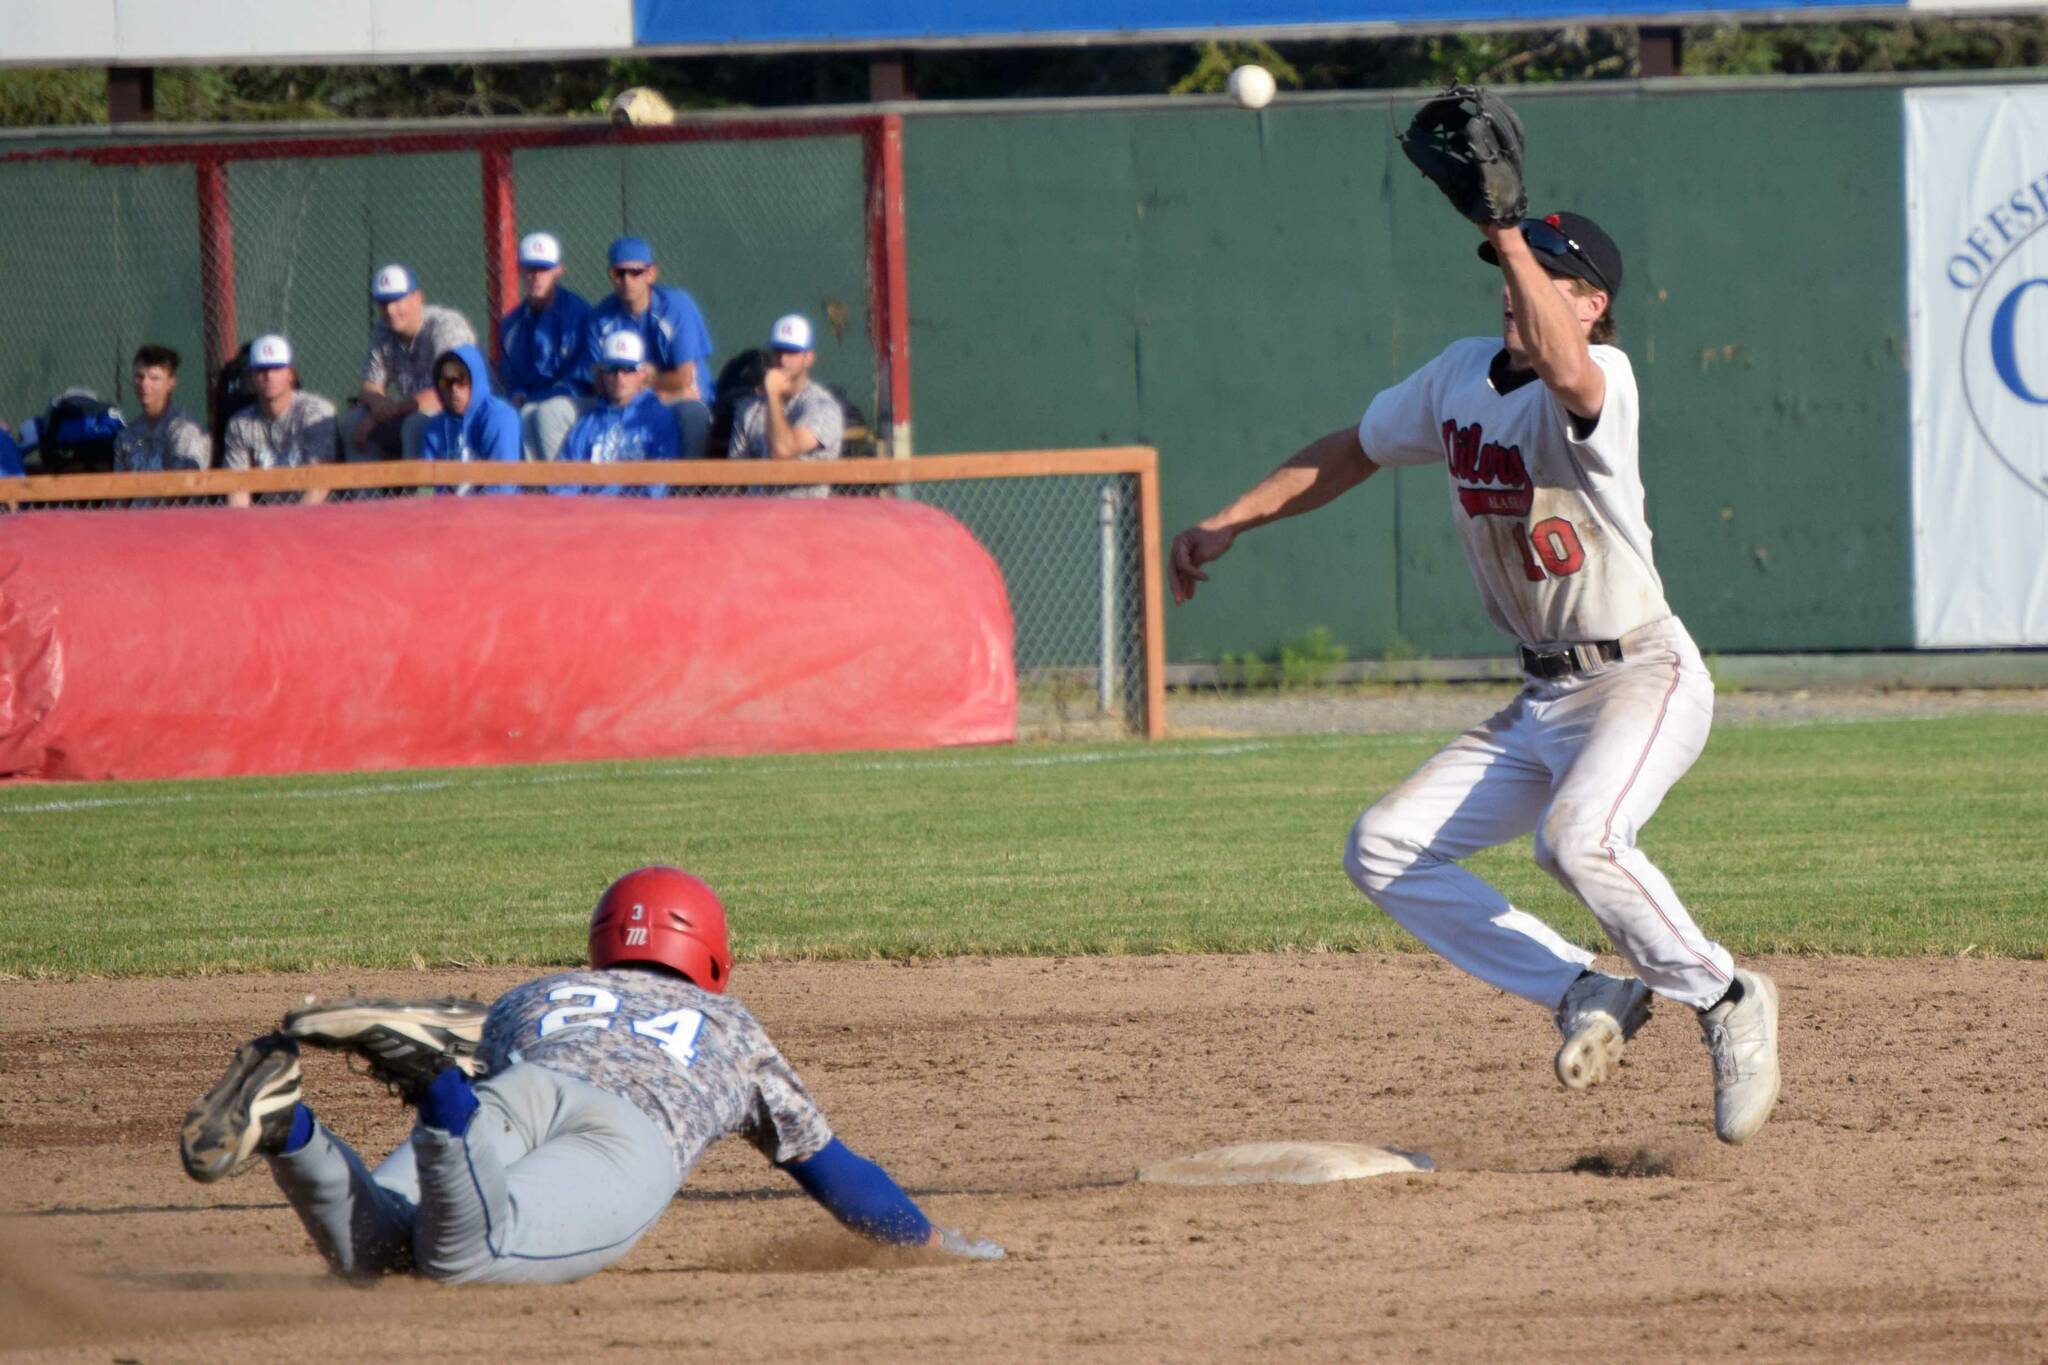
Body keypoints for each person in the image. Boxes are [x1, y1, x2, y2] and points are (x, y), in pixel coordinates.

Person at [1169, 211, 1782, 1147]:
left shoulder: (1602, 379)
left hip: (1639, 675)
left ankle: (1726, 993)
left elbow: (1567, 368)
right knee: (1382, 845)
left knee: (1575, 840)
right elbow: (1353, 449)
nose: (1511, 280)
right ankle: (1587, 986)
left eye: (1539, 271)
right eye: (1505, 264)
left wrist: (1505, 221)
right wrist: (1228, 523)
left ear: (1591, 303)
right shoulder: (1459, 374)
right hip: (1540, 698)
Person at [177, 866, 1003, 1284]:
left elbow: (517, 1064)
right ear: (710, 952)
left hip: (521, 1085)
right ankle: (435, 1088)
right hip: (625, 1136)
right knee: (460, 1259)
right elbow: (837, 1174)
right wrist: (929, 1241)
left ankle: (291, 1126)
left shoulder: (534, 996)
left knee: (380, 1251)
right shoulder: (732, 1026)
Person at [556, 235, 714, 460]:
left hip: (678, 400)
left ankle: (686, 493)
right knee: (550, 412)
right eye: (619, 273)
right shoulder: (601, 317)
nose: (627, 280)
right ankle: (551, 490)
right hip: (627, 400)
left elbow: (685, 378)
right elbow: (602, 385)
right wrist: (651, 382)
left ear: (651, 274)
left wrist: (645, 383)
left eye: (635, 272)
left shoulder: (676, 307)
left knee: (691, 413)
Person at [340, 264, 476, 461]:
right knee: (353, 421)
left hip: (464, 415)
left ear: (417, 298)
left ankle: (417, 491)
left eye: (397, 300)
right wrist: (378, 404)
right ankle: (366, 492)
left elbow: (450, 389)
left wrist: (383, 413)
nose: (390, 310)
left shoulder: (446, 326)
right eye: (383, 303)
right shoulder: (383, 328)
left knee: (415, 424)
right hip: (411, 412)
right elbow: (370, 385)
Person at [498, 231, 594, 461]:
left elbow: (582, 383)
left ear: (558, 270)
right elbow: (512, 379)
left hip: (578, 402)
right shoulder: (513, 324)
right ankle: (530, 491)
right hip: (535, 403)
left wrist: (533, 398)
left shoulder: (578, 314)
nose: (536, 277)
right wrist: (518, 394)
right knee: (514, 414)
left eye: (543, 269)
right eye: (530, 269)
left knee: (544, 412)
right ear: (521, 271)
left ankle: (561, 490)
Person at [730, 313, 845, 499]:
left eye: (792, 352)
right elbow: (735, 476)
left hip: (804, 515)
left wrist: (773, 395)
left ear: (808, 357)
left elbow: (783, 450)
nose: (783, 360)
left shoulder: (823, 407)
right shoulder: (749, 409)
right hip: (754, 515)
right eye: (778, 351)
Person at [556, 330, 680, 496]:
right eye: (612, 369)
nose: (619, 377)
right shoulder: (588, 422)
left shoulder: (658, 418)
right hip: (589, 514)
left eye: (628, 369)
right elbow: (565, 481)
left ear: (642, 374)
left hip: (639, 515)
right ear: (601, 373)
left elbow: (657, 486)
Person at [220, 334, 338, 508]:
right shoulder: (240, 423)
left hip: (319, 514)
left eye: (276, 368)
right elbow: (237, 488)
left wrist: (289, 525)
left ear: (290, 374)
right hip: (268, 516)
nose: (269, 376)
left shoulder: (315, 412)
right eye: (261, 369)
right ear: (252, 376)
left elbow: (320, 485)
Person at [419, 345, 522, 491]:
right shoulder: (434, 428)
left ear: (476, 379)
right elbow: (428, 488)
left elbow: (502, 487)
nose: (454, 389)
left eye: (462, 380)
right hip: (446, 510)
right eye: (446, 382)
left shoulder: (499, 416)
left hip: (496, 509)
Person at [112, 344, 211, 472]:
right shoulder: (127, 435)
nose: (144, 384)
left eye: (154, 378)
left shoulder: (184, 431)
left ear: (171, 383)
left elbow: (188, 485)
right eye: (139, 376)